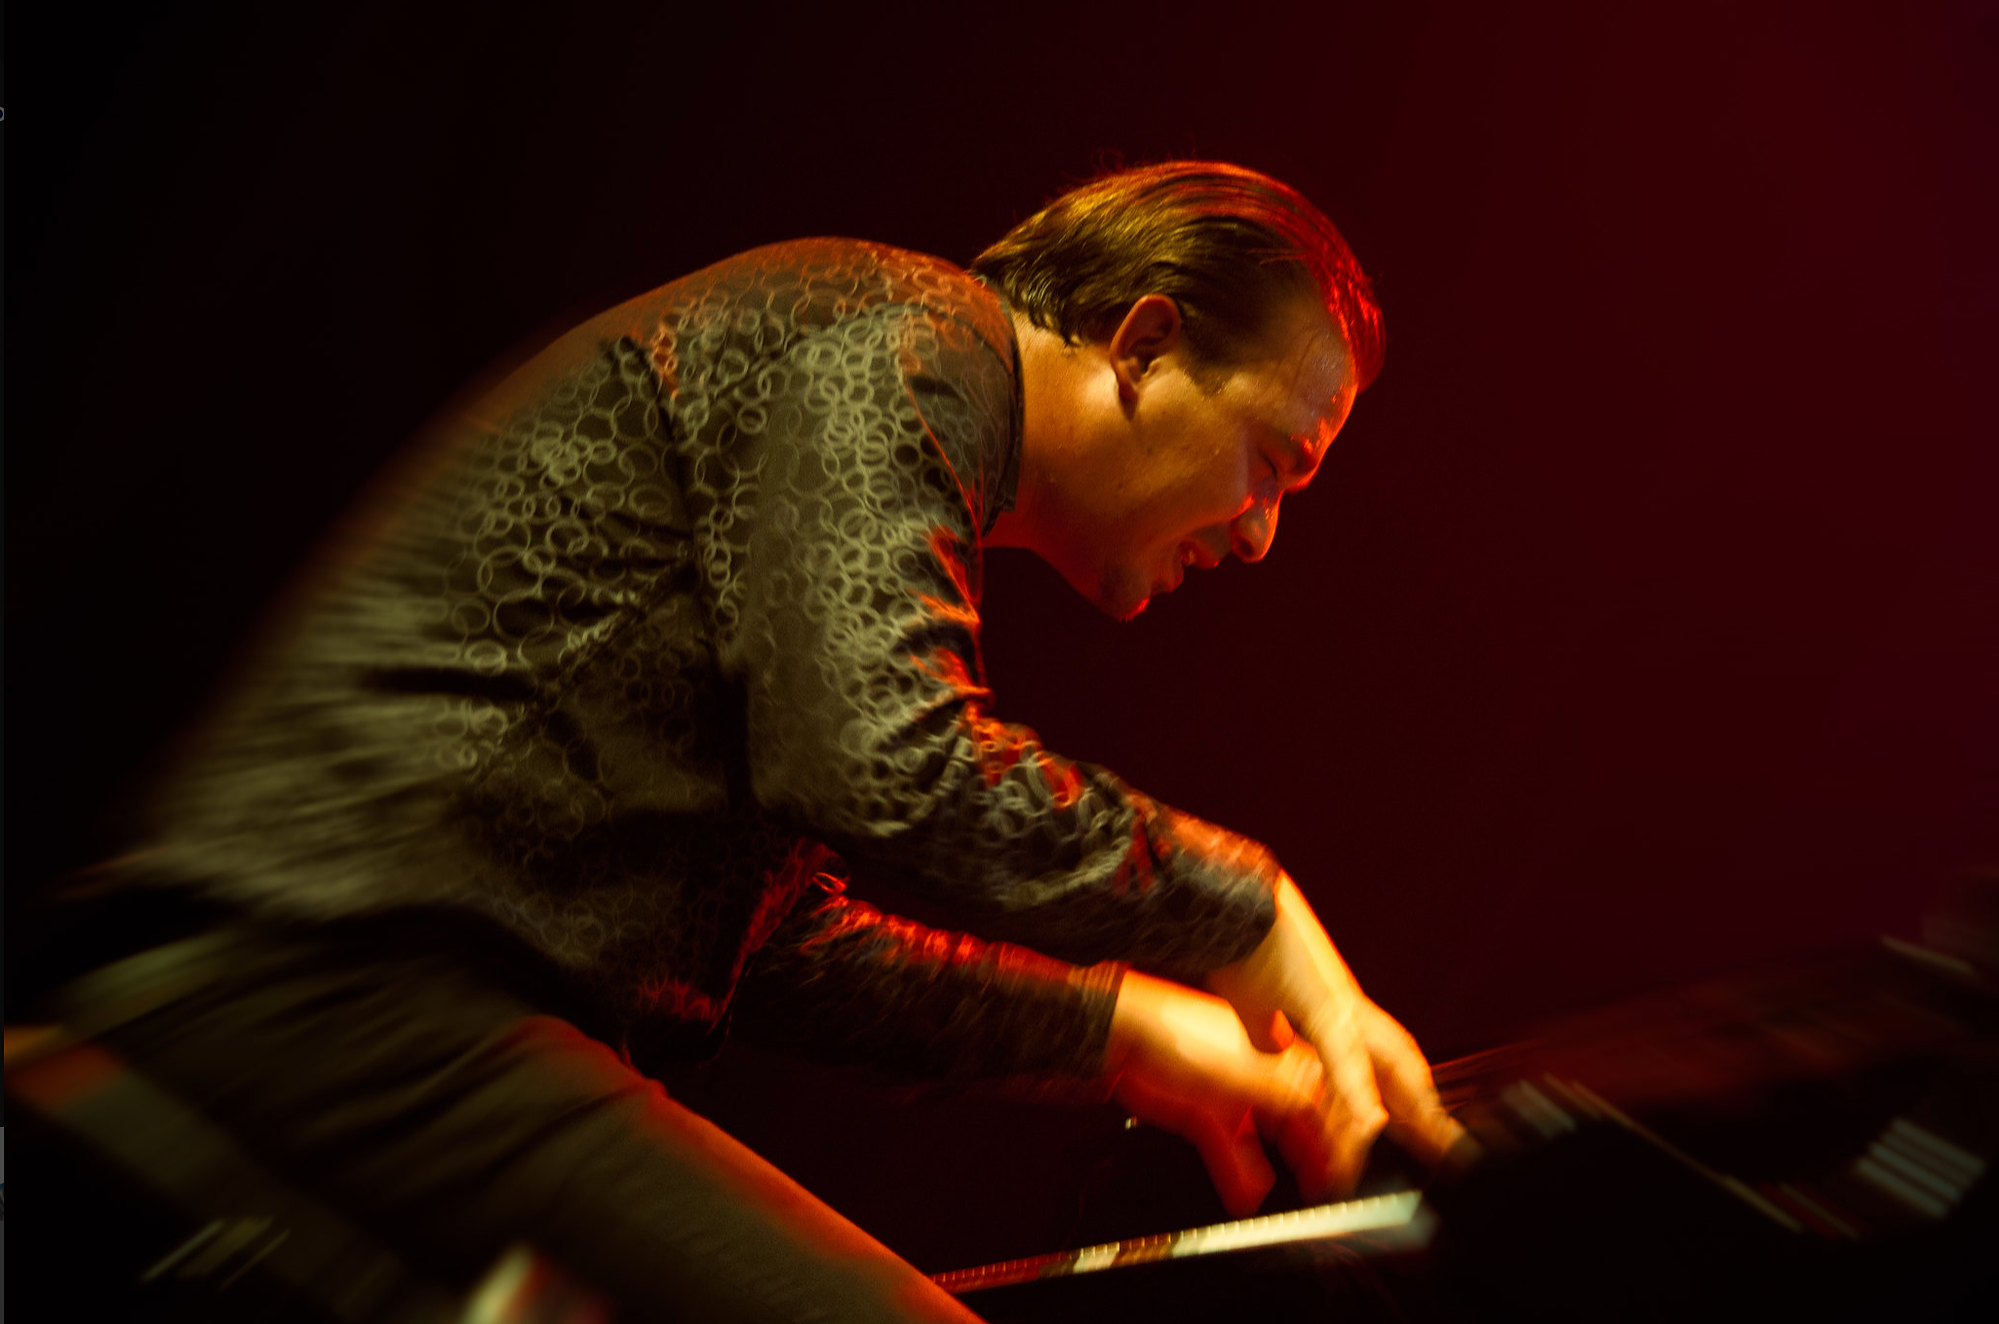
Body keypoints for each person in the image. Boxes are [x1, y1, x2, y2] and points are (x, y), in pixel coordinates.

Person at [32, 161, 1464, 1322]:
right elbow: (888, 765)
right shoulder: (897, 336)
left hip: (367, 1010)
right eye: (1274, 462)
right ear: (1144, 344)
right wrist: (1243, 910)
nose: (1261, 536)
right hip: (332, 990)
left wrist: (1113, 1029)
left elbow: (767, 950)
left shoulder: (895, 411)